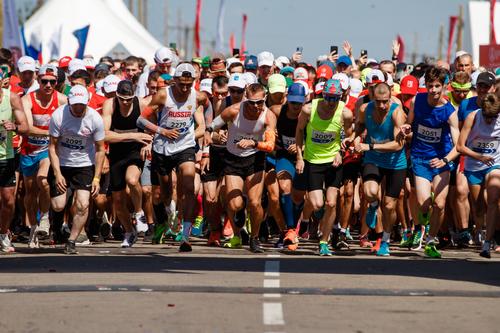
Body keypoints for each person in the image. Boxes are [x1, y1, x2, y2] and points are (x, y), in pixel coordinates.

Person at [137, 63, 207, 252]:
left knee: (189, 186)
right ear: (174, 80)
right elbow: (141, 119)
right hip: (163, 148)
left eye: (188, 84)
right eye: (181, 84)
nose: (185, 88)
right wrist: (162, 131)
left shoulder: (199, 96)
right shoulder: (162, 95)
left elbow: (202, 120)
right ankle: (166, 217)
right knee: (164, 193)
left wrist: (197, 133)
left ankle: (185, 235)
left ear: (194, 81)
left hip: (185, 147)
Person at [205, 83, 277, 253]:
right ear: (246, 98)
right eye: (251, 102)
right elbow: (214, 124)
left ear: (264, 98)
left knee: (255, 202)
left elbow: (271, 145)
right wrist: (210, 133)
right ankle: (240, 213)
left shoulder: (268, 116)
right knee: (235, 204)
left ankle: (254, 238)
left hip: (255, 159)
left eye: (259, 102)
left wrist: (254, 143)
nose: (255, 106)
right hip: (233, 158)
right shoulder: (234, 110)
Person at [401, 66, 460, 258]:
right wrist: (406, 128)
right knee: (423, 203)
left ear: (444, 86)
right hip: (420, 157)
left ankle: (430, 241)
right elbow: (409, 124)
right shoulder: (417, 101)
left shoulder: (449, 112)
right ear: (425, 85)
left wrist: (444, 160)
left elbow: (458, 145)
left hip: (441, 160)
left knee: (440, 204)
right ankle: (419, 227)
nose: (433, 90)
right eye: (430, 86)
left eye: (437, 86)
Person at [295, 79, 353, 256]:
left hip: (333, 161)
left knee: (331, 202)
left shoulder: (346, 113)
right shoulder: (308, 109)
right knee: (317, 203)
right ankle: (307, 220)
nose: (330, 103)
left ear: (341, 96)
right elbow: (298, 131)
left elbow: (349, 136)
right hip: (313, 160)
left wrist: (341, 153)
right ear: (322, 95)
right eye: (327, 98)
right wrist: (299, 157)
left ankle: (324, 242)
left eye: (335, 99)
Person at [47, 85, 105, 255]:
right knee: (58, 206)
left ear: (87, 102)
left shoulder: (95, 118)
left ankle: (71, 240)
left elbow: (101, 149)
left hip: (84, 165)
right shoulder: (59, 115)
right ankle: (56, 225)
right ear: (70, 102)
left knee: (83, 204)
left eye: (82, 104)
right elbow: (52, 147)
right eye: (75, 104)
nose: (78, 108)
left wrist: (96, 178)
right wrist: (57, 173)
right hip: (62, 163)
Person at [351, 83, 407, 256]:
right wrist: (353, 138)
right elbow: (360, 126)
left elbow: (399, 145)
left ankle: (385, 240)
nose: (382, 106)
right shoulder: (364, 109)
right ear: (372, 98)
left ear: (390, 98)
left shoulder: (397, 113)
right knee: (369, 192)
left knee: (390, 205)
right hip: (373, 159)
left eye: (385, 101)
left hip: (395, 162)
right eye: (378, 102)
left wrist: (370, 146)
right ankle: (373, 206)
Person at [20, 64, 67, 248]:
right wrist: (52, 133)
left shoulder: (62, 100)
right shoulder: (27, 100)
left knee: (44, 181)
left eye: (52, 82)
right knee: (30, 193)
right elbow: (28, 128)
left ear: (57, 82)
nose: (48, 85)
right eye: (44, 81)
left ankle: (46, 218)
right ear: (38, 81)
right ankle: (33, 228)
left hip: (49, 150)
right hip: (29, 150)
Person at [102, 80, 152, 247]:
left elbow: (155, 129)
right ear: (116, 96)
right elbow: (104, 135)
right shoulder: (110, 105)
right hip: (117, 153)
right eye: (122, 98)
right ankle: (129, 231)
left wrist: (149, 144)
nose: (125, 102)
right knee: (117, 200)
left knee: (132, 180)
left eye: (128, 99)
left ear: (134, 96)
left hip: (135, 151)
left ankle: (139, 212)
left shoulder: (142, 103)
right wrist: (134, 136)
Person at [457, 93, 500, 258]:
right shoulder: (472, 117)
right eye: (487, 116)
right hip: (474, 164)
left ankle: (488, 243)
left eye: (493, 117)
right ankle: (480, 231)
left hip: (495, 163)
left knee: (494, 199)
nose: (490, 121)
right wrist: (479, 156)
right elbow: (460, 146)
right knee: (479, 206)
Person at [0, 80, 29, 252]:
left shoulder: (11, 98)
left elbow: (25, 126)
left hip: (7, 156)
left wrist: (14, 127)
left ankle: (3, 233)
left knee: (8, 201)